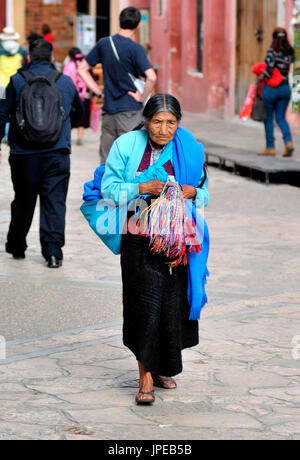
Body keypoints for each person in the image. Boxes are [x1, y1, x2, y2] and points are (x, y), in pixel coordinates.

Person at [81, 94, 210, 404]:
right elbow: (108, 190)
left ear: (179, 123)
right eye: (157, 122)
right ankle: (145, 376)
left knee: (172, 305)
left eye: (171, 123)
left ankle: (164, 366)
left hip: (176, 239)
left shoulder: (189, 149)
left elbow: (205, 194)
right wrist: (142, 187)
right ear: (146, 120)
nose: (164, 129)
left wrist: (192, 191)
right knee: (145, 307)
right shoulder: (126, 145)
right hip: (137, 237)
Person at [0, 39, 84, 268]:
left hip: (23, 155)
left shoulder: (16, 81)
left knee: (23, 201)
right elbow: (80, 112)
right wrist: (64, 128)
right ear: (51, 57)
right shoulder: (65, 82)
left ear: (28, 58)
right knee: (54, 202)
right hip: (57, 153)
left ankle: (17, 246)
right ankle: (53, 252)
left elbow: (2, 113)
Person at [78, 6, 157, 164]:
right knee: (131, 160)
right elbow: (151, 77)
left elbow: (82, 69)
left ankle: (107, 188)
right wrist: (142, 97)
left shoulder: (104, 43)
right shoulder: (135, 48)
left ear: (120, 22)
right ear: (138, 25)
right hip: (130, 111)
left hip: (109, 110)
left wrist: (98, 92)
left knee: (107, 161)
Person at [257, 27, 295, 157]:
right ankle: (288, 142)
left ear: (274, 38)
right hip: (285, 88)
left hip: (271, 90)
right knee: (280, 118)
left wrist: (261, 76)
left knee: (268, 118)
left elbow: (269, 69)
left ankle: (270, 147)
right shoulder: (290, 52)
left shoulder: (272, 52)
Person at [63, 47, 94, 145]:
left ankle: (67, 137)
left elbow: (65, 80)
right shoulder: (86, 66)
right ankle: (79, 138)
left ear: (70, 57)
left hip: (71, 95)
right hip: (85, 95)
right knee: (83, 117)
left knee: (69, 116)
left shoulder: (68, 66)